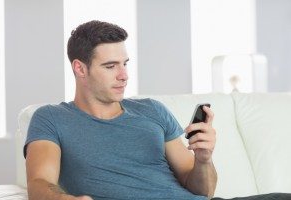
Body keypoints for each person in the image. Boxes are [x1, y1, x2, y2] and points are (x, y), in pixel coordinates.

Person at [24, 20, 290, 200]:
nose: (124, 75)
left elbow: (203, 191)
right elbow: (38, 183)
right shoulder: (51, 118)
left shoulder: (152, 110)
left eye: (125, 64)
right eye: (110, 66)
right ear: (80, 68)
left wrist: (204, 159)